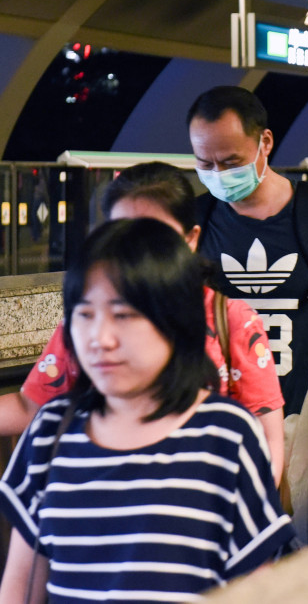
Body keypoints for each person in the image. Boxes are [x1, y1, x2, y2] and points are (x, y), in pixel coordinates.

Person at [0, 218, 294, 603]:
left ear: (175, 319)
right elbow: (21, 588)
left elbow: (257, 589)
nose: (100, 339)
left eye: (123, 315)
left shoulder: (226, 436)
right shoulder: (51, 432)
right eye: (85, 314)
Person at [0, 162, 286, 481]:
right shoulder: (86, 324)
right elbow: (32, 404)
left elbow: (267, 441)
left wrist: (242, 508)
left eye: (155, 237)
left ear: (191, 239)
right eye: (122, 233)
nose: (136, 254)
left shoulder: (231, 320)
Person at [188, 86, 308, 416]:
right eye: (205, 162)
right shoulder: (192, 222)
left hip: (306, 419)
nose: (218, 174)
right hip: (221, 419)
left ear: (265, 142)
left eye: (232, 162)